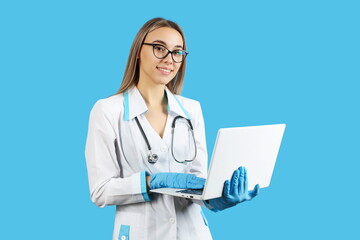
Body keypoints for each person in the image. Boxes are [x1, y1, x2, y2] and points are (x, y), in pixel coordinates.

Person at [85, 17, 260, 240]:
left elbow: (198, 181)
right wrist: (153, 182)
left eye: (177, 52)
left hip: (193, 233)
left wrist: (217, 199)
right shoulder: (108, 110)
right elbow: (100, 191)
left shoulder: (191, 109)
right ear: (138, 51)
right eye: (160, 48)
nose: (169, 59)